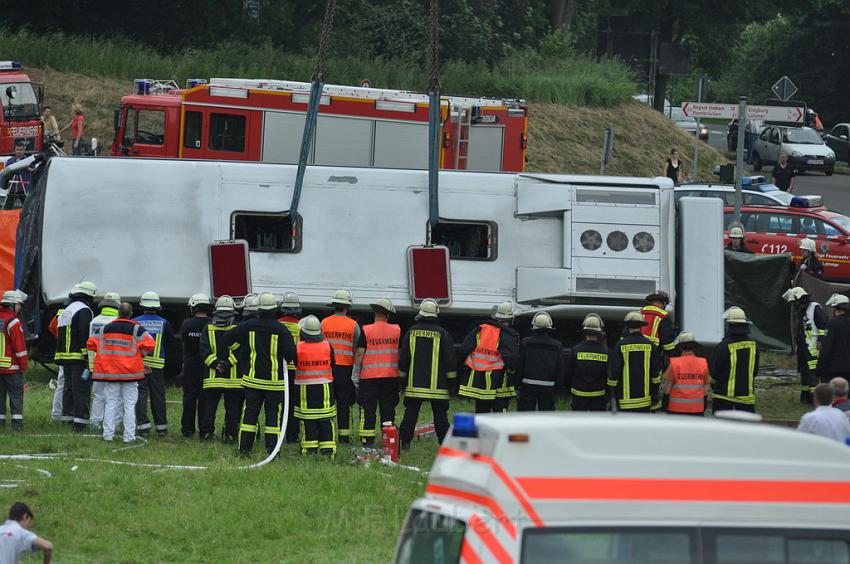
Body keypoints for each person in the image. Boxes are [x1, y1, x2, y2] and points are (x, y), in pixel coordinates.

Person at [224, 292, 297, 456]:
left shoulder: (248, 325)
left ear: (259, 309)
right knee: (272, 419)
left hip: (252, 381)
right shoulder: (281, 329)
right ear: (275, 310)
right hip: (274, 383)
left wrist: (243, 349)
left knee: (249, 417)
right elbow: (291, 354)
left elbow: (227, 338)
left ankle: (244, 450)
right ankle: (272, 452)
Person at [87, 302, 155, 443]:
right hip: (131, 373)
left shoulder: (105, 328)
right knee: (129, 405)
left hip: (110, 373)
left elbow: (91, 344)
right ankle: (128, 437)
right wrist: (140, 355)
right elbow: (150, 344)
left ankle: (108, 435)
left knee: (110, 403)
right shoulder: (137, 329)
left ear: (118, 313)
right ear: (131, 314)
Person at [398, 299, 457, 449]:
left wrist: (402, 381)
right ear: (436, 314)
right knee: (441, 416)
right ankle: (445, 445)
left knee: (411, 414)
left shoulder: (411, 332)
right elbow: (450, 360)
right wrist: (451, 385)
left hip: (414, 385)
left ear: (421, 314)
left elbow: (404, 358)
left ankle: (405, 443)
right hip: (438, 387)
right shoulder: (443, 333)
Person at [353, 298, 400, 446]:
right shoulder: (397, 330)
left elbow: (360, 353)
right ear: (388, 314)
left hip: (369, 378)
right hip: (390, 376)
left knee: (368, 410)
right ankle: (388, 440)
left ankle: (367, 441)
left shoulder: (366, 330)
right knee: (388, 410)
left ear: (374, 312)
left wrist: (355, 374)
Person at [459, 302, 520, 413]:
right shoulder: (507, 335)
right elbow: (511, 357)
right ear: (511, 317)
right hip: (498, 380)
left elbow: (464, 348)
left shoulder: (480, 329)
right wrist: (513, 371)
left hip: (478, 380)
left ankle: (481, 430)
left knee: (481, 410)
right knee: (499, 412)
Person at [199, 296, 242, 443]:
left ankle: (206, 435)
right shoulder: (237, 328)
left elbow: (204, 350)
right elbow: (241, 351)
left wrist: (216, 364)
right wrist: (227, 364)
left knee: (209, 408)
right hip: (233, 379)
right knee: (232, 409)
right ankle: (230, 436)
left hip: (212, 378)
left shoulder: (208, 328)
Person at [321, 289, 362, 443]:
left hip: (327, 369)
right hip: (346, 368)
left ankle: (327, 435)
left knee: (328, 403)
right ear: (347, 307)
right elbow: (358, 349)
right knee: (344, 404)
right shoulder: (353, 325)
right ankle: (344, 436)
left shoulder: (324, 323)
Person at [133, 291, 175, 437]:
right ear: (157, 307)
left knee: (140, 395)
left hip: (139, 364)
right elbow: (170, 342)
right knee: (158, 395)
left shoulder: (135, 322)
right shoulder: (164, 322)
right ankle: (161, 428)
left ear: (142, 306)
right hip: (157, 365)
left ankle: (143, 427)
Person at [56, 281, 97, 432]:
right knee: (81, 389)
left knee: (68, 388)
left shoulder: (66, 310)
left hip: (64, 357)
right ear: (88, 296)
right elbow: (84, 334)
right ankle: (80, 422)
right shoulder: (84, 310)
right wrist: (87, 356)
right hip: (79, 358)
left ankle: (67, 417)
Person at [295, 315, 337, 456]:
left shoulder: (298, 347)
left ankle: (308, 450)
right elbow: (333, 362)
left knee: (308, 420)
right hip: (325, 389)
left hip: (305, 389)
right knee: (326, 419)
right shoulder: (327, 345)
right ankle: (328, 451)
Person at [608, 311, 662, 412]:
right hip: (645, 401)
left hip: (624, 401)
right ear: (641, 326)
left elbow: (614, 374)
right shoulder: (650, 345)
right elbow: (655, 375)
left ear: (627, 327)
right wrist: (655, 395)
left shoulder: (620, 345)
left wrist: (612, 396)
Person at [782, 286, 827, 404]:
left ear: (799, 298)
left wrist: (820, 340)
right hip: (802, 347)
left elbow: (824, 325)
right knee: (804, 373)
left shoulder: (814, 307)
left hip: (813, 348)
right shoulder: (802, 309)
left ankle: (815, 400)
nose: (795, 304)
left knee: (812, 374)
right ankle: (805, 398)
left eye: (795, 301)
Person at [711, 306, 759, 413]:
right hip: (747, 399)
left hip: (723, 399)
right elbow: (754, 372)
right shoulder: (754, 345)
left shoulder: (723, 346)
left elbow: (714, 374)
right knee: (745, 429)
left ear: (729, 325)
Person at [516, 312, 564, 412]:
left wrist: (517, 382)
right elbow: (560, 368)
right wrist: (559, 386)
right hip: (548, 387)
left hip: (527, 386)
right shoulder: (557, 345)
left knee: (525, 417)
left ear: (534, 326)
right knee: (546, 419)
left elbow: (520, 364)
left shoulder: (525, 342)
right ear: (549, 327)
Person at [87, 292, 121, 429]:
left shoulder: (94, 321)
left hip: (97, 365)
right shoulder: (118, 322)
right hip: (114, 366)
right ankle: (115, 424)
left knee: (98, 395)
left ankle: (95, 423)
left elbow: (90, 345)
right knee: (115, 397)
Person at [180, 293, 212, 438]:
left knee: (189, 398)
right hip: (207, 366)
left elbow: (184, 342)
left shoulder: (187, 324)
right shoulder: (212, 323)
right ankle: (205, 431)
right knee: (205, 399)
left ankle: (187, 429)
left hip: (190, 366)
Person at [565, 314, 608, 411]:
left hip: (578, 394)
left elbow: (569, 372)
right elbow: (608, 374)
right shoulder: (607, 352)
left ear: (585, 331)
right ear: (599, 332)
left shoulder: (575, 349)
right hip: (599, 395)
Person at [663, 332, 710, 415]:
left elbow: (667, 386)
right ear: (694, 347)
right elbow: (706, 387)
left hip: (676, 408)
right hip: (697, 408)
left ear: (680, 347)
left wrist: (665, 400)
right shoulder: (703, 363)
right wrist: (705, 400)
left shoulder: (674, 363)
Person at [0, 291, 28, 431]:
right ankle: (17, 426)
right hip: (12, 368)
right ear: (11, 305)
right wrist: (24, 366)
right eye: (18, 304)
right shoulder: (14, 321)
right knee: (16, 396)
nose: (19, 307)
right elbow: (20, 347)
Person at [277, 292, 302, 444]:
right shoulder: (301, 327)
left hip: (279, 370)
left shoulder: (277, 324)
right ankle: (292, 436)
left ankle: (279, 432)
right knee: (294, 403)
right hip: (297, 370)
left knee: (280, 403)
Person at [817, 294, 850, 385]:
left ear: (836, 309)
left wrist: (819, 368)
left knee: (833, 396)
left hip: (833, 371)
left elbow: (826, 348)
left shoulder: (833, 324)